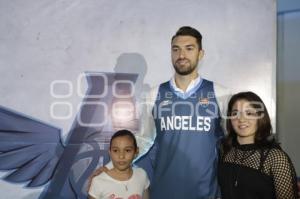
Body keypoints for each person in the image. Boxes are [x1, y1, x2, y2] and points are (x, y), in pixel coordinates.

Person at [91, 26, 230, 199]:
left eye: (189, 48)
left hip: (205, 193)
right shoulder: (154, 94)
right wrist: (111, 167)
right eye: (176, 49)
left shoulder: (219, 93)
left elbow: (232, 142)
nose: (182, 55)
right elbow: (143, 139)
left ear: (201, 54)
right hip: (165, 191)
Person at [218, 91, 298, 199]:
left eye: (249, 113)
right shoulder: (224, 150)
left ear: (260, 117)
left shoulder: (275, 158)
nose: (241, 119)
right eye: (235, 113)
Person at [88, 129, 150, 199]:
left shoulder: (142, 175)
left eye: (127, 150)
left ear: (136, 152)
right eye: (116, 150)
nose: (121, 156)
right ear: (109, 152)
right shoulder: (98, 182)